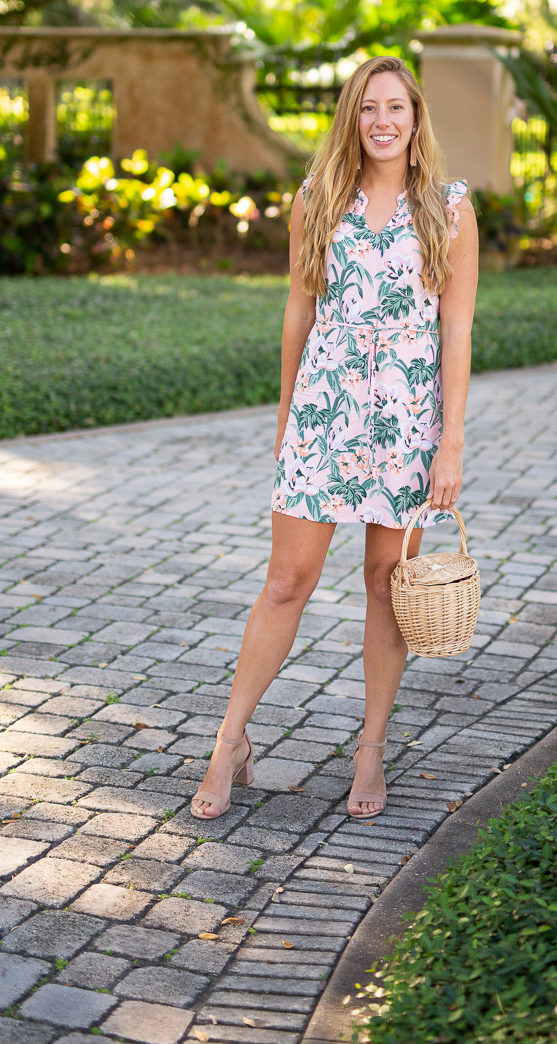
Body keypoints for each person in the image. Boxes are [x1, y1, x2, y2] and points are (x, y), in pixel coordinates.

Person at [191, 55, 479, 820]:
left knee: (387, 589)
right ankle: (230, 741)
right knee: (287, 581)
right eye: (367, 108)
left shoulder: (449, 208)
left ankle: (370, 751)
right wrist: (287, 420)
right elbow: (297, 313)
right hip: (324, 415)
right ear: (352, 119)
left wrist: (449, 445)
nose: (382, 121)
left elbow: (457, 332)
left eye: (396, 108)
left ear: (416, 120)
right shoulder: (317, 199)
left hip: (407, 423)